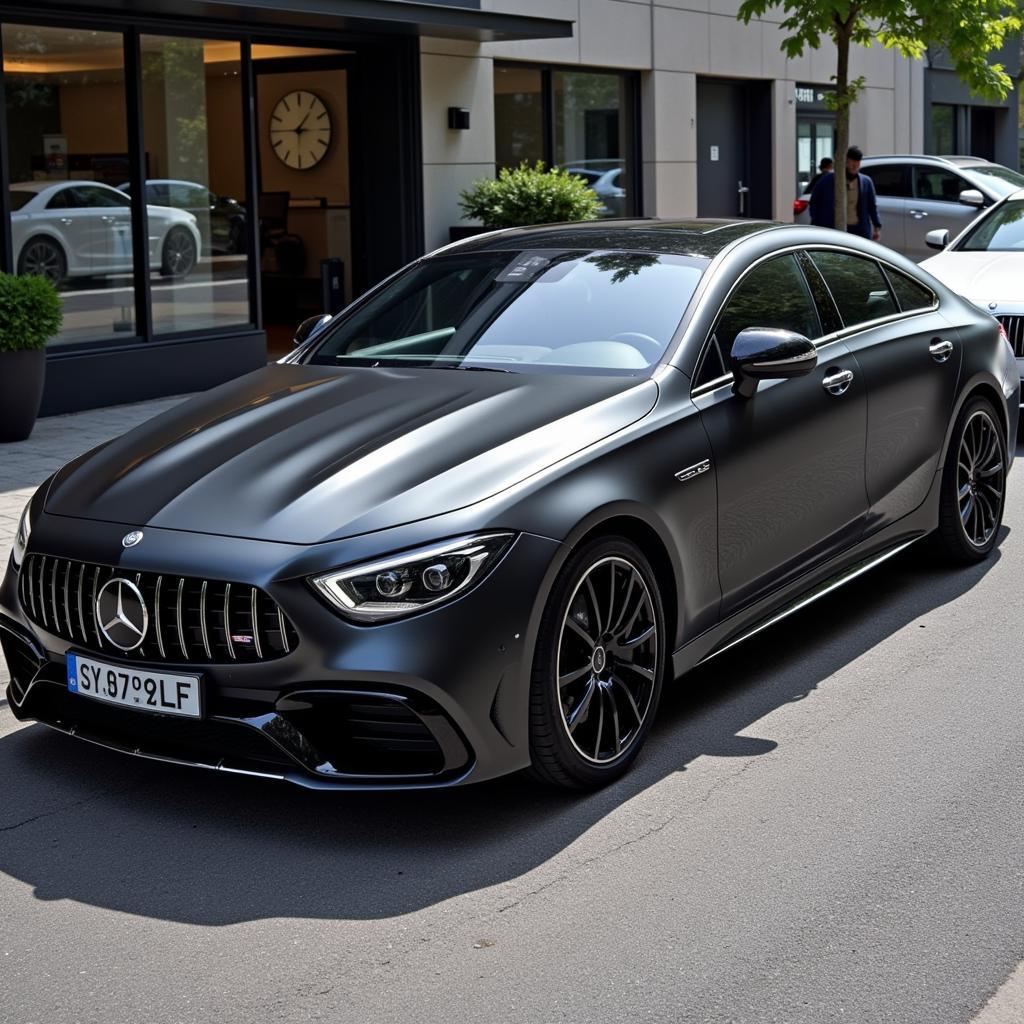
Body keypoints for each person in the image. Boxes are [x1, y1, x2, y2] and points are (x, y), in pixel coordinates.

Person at [808, 146, 881, 240]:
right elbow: (814, 201)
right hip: (834, 229)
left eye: (857, 163)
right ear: (845, 162)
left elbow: (872, 206)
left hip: (859, 230)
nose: (854, 166)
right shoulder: (827, 180)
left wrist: (877, 227)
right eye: (852, 162)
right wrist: (817, 221)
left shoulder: (866, 182)